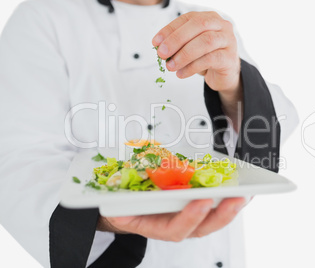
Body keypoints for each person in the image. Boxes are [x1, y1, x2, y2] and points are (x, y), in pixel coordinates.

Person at [0, 0, 298, 267]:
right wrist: (108, 215)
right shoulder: (43, 17)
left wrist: (234, 83)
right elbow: (18, 162)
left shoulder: (211, 23)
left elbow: (275, 127)